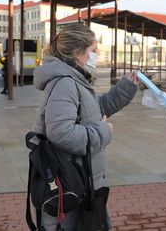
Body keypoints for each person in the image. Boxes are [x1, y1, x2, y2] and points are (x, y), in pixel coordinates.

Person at [31, 23, 138, 230]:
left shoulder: (75, 79)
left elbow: (95, 110)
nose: (97, 55)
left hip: (80, 179)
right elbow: (61, 133)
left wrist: (126, 86)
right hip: (70, 182)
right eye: (93, 50)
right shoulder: (65, 83)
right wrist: (103, 131)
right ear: (77, 52)